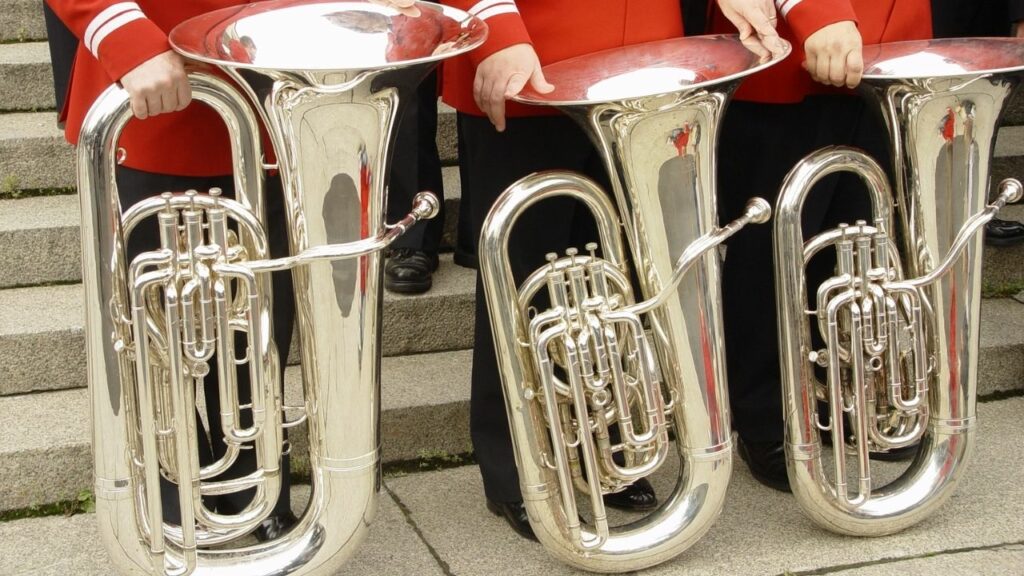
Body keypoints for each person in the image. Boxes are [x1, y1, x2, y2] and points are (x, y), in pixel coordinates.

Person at [440, 0, 785, 540]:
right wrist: (496, 27)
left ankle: (610, 446)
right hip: (531, 55)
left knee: (622, 276)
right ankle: (519, 465)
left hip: (643, 55)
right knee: (521, 279)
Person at [44, 0, 301, 541]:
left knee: (262, 314)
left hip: (279, 77)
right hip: (152, 76)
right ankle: (164, 477)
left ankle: (255, 479)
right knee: (150, 319)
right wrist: (124, 37)